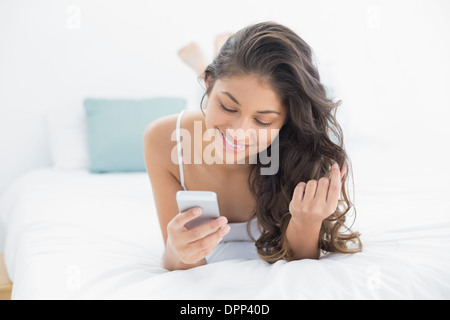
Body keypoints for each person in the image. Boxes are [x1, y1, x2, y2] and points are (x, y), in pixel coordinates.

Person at [144, 21, 361, 271]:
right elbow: (179, 263)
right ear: (209, 83)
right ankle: (206, 62)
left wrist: (307, 222)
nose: (239, 132)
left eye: (262, 120)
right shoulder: (162, 139)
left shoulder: (305, 153)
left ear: (286, 120)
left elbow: (300, 266)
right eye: (227, 107)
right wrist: (176, 249)